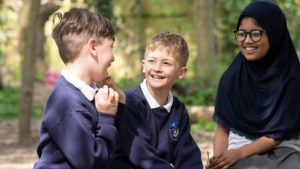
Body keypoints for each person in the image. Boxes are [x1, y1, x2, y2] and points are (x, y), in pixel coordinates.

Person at [207, 1, 300, 169]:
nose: (247, 41)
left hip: (285, 150)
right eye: (242, 33)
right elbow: (223, 128)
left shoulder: (292, 79)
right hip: (238, 151)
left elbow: (278, 134)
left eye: (256, 33)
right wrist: (219, 160)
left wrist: (240, 153)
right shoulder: (231, 78)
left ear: (274, 34)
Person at [33, 8, 125, 169]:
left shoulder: (89, 95)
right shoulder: (67, 103)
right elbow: (90, 163)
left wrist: (120, 107)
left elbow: (115, 149)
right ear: (93, 46)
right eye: (112, 47)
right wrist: (107, 117)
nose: (113, 57)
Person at [109, 31, 203, 169]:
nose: (157, 68)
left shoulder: (179, 110)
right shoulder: (129, 103)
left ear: (181, 72)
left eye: (166, 63)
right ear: (143, 65)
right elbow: (140, 154)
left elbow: (186, 152)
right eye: (152, 61)